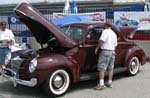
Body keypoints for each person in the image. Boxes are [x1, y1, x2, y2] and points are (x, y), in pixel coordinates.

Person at [94, 22, 117, 90]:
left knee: (101, 67)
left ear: (106, 26)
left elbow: (102, 41)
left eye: (104, 26)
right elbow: (115, 44)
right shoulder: (113, 33)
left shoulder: (105, 31)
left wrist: (97, 48)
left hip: (105, 51)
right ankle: (109, 83)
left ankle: (101, 84)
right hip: (112, 51)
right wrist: (113, 50)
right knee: (111, 68)